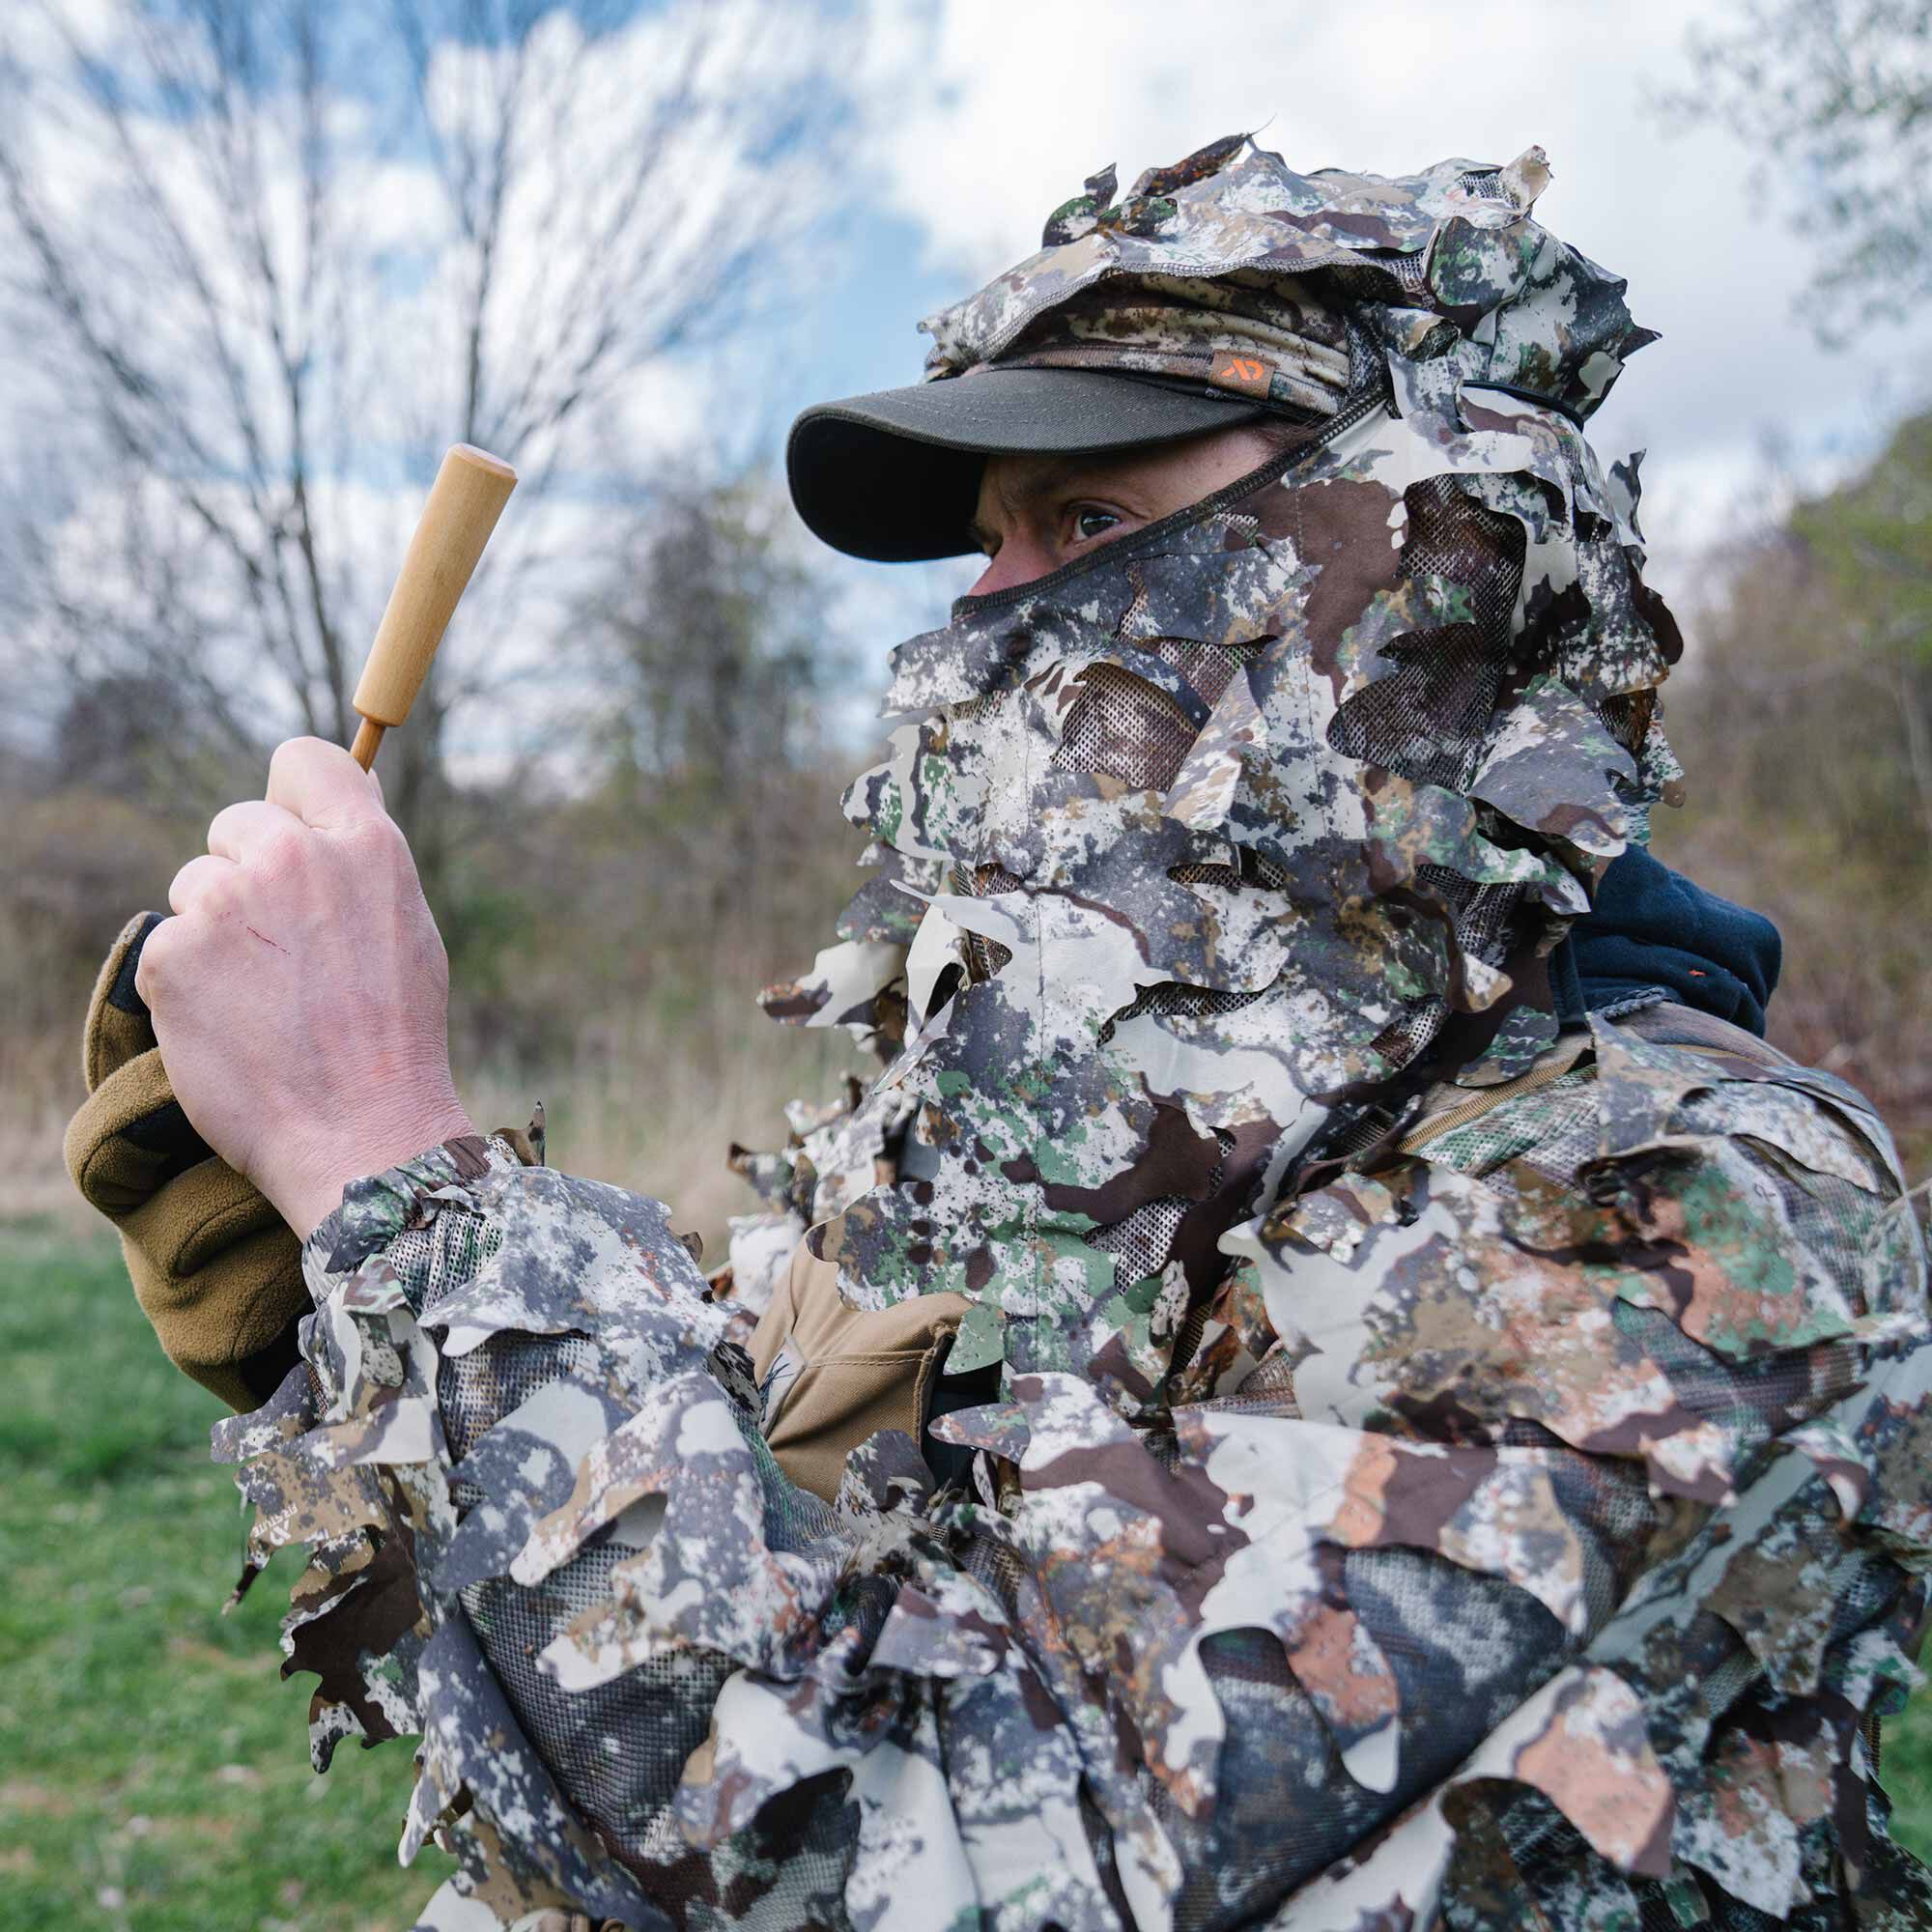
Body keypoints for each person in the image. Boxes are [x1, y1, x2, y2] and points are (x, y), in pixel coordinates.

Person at [73, 135, 1932, 1931]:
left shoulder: (1684, 1225)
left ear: (1424, 560)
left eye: (1094, 520)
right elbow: (738, 1568)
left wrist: (397, 1169)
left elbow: (866, 1841)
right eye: (987, 542)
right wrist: (363, 1307)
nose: (983, 618)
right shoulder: (1065, 1112)